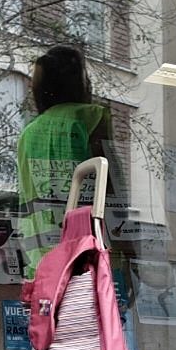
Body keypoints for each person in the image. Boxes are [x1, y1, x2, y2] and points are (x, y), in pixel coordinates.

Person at [15, 45, 111, 277]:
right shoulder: (91, 117)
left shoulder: (28, 133)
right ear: (79, 82)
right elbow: (110, 185)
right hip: (86, 246)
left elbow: (25, 193)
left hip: (40, 252)